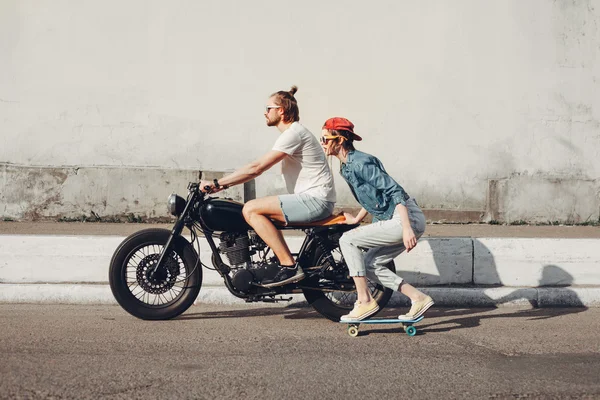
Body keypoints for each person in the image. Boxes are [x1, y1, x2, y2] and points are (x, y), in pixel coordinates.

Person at [200, 86, 336, 287]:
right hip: (313, 199)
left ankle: (288, 265)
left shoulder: (294, 133)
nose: (265, 112)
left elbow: (256, 168)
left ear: (281, 110)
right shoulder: (292, 134)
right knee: (254, 211)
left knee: (251, 209)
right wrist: (222, 186)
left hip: (315, 200)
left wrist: (218, 183)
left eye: (268, 108)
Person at [320, 117, 434, 322]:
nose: (323, 143)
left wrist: (407, 228)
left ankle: (364, 300)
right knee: (370, 265)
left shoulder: (360, 162)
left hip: (405, 216)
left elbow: (394, 190)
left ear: (341, 140)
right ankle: (418, 298)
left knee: (347, 240)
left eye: (326, 139)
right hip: (396, 218)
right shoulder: (345, 167)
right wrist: (357, 218)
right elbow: (373, 196)